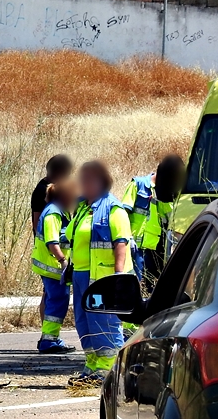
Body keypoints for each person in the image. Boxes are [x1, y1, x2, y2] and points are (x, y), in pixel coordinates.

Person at [67, 160, 132, 386]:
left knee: (104, 321)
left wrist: (118, 278)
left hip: (103, 278)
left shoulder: (114, 209)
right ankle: (92, 364)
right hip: (82, 276)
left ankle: (109, 369)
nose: (82, 184)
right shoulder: (84, 207)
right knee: (84, 321)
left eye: (88, 180)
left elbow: (121, 244)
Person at [121, 154, 186, 291]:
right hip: (136, 248)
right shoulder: (138, 185)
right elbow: (122, 215)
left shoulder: (168, 193)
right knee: (134, 288)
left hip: (155, 251)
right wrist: (128, 238)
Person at [32, 179, 77, 354]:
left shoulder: (61, 211)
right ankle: (49, 341)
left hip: (54, 267)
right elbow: (52, 241)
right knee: (58, 301)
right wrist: (63, 261)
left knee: (55, 300)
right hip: (53, 267)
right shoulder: (53, 213)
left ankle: (50, 338)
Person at [30, 155, 73, 331]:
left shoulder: (53, 200)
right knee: (53, 298)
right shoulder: (46, 198)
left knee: (50, 296)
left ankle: (48, 334)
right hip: (51, 260)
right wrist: (61, 258)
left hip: (50, 259)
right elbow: (39, 224)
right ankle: (48, 335)